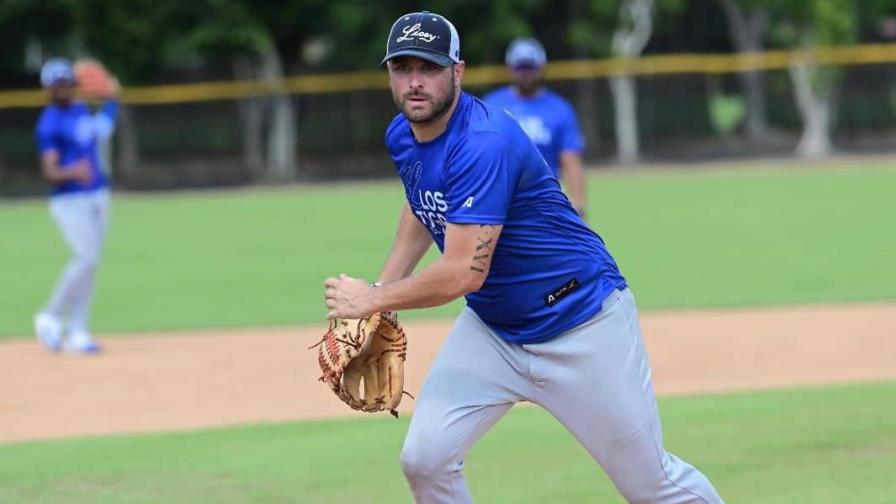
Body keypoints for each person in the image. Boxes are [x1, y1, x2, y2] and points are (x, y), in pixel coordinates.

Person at [323, 11, 723, 504]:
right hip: (495, 331)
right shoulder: (403, 135)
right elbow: (421, 203)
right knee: (425, 460)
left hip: (580, 323)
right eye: (402, 68)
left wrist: (371, 298)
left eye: (427, 68)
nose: (415, 82)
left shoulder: (483, 144)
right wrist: (385, 297)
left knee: (651, 486)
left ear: (458, 71)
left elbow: (465, 272)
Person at [32, 58, 119, 354]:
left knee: (91, 264)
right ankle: (50, 315)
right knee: (85, 258)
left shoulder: (82, 110)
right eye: (55, 85)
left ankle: (79, 331)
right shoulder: (49, 124)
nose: (62, 89)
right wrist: (73, 173)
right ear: (47, 89)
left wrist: (112, 100)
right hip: (69, 201)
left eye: (65, 83)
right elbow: (49, 172)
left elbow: (103, 130)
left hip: (97, 196)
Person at [483, 38, 588, 218]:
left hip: (544, 200)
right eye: (520, 67)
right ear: (510, 68)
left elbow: (571, 160)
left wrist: (579, 208)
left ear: (542, 67)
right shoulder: (491, 106)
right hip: (498, 199)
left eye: (530, 67)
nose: (525, 73)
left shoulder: (560, 108)